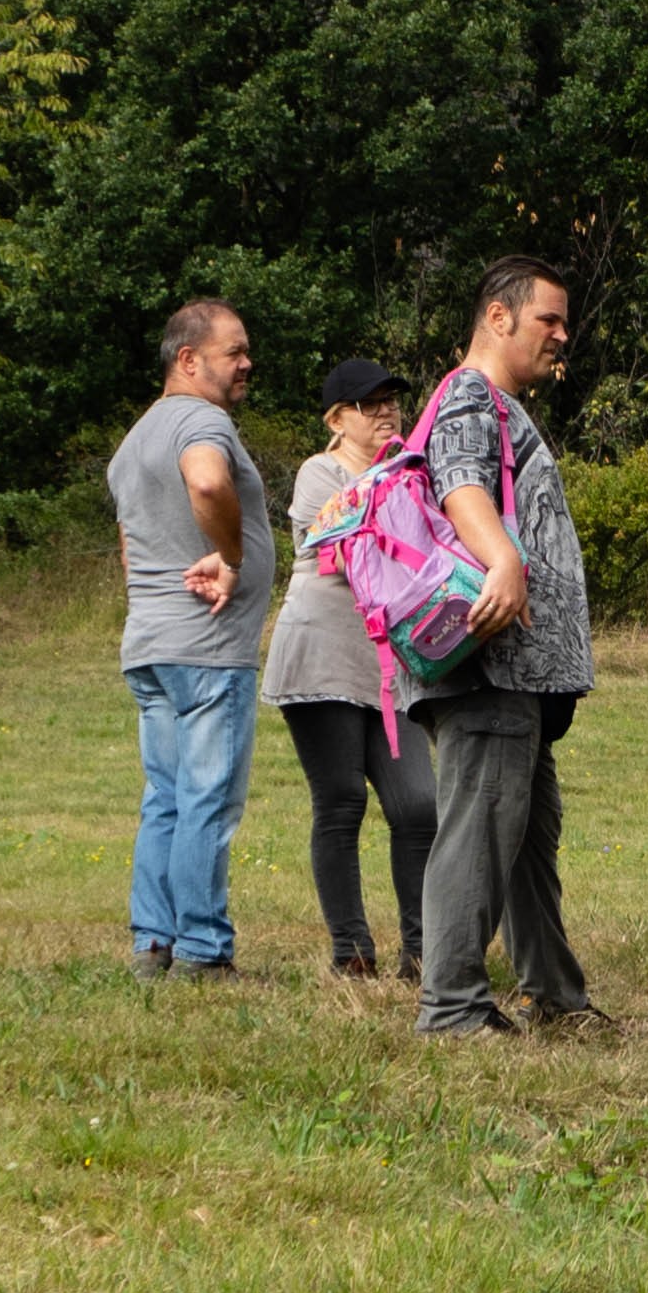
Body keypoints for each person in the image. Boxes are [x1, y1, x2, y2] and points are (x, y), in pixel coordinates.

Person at [408, 258, 598, 1039]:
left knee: (525, 837)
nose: (562, 335)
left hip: (519, 674)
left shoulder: (495, 404)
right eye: (548, 319)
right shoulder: (469, 395)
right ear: (498, 316)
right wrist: (504, 561)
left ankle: (555, 995)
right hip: (489, 663)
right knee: (482, 831)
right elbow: (461, 485)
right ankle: (451, 1008)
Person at [109, 298, 274, 977]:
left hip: (152, 644)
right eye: (234, 352)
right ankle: (203, 952)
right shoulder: (201, 421)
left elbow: (130, 549)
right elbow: (207, 481)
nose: (246, 363)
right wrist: (232, 557)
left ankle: (153, 943)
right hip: (207, 649)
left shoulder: (135, 440)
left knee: (167, 798)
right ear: (188, 359)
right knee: (207, 798)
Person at [262, 355, 438, 988]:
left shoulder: (412, 472)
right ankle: (352, 951)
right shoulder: (320, 474)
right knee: (340, 800)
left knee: (418, 805)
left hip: (391, 665)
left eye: (392, 400)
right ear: (337, 420)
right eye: (371, 404)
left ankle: (423, 954)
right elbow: (354, 538)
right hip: (321, 652)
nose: (387, 411)